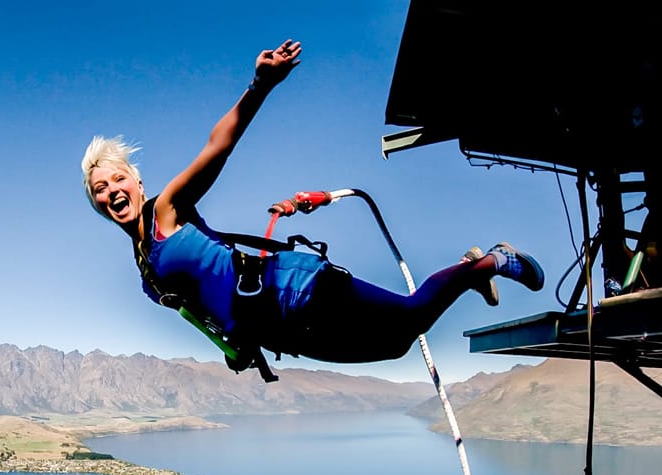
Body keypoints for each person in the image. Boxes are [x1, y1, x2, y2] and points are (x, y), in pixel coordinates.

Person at [80, 39, 543, 377]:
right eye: (100, 188)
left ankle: (488, 262)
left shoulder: (166, 211)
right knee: (397, 346)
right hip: (279, 329)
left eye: (118, 178)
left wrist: (259, 86)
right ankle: (473, 271)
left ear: (137, 182)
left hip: (295, 289)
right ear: (96, 203)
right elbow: (202, 305)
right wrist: (232, 342)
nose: (112, 191)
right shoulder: (145, 269)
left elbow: (216, 148)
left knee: (406, 321)